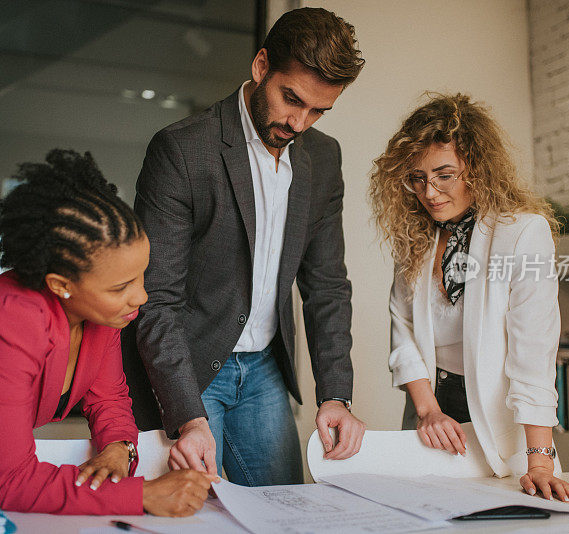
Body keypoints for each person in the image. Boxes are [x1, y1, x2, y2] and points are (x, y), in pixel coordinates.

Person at [0, 149, 217, 515]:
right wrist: (144, 495)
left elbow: (109, 399)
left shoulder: (102, 311)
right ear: (60, 285)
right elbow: (13, 483)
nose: (141, 296)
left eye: (141, 275)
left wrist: (119, 449)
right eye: (121, 287)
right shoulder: (2, 324)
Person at [122, 7, 366, 486]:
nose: (299, 122)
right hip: (189, 369)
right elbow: (157, 298)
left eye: (318, 110)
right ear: (261, 67)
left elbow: (327, 287)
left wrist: (336, 394)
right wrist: (189, 417)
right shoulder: (183, 150)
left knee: (286, 513)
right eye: (290, 98)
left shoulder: (323, 157)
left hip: (265, 370)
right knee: (193, 512)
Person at [369, 94, 569, 501]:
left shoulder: (523, 233)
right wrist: (428, 410)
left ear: (476, 168)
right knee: (423, 516)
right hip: (429, 405)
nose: (429, 192)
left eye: (444, 175)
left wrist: (539, 461)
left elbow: (532, 353)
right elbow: (404, 332)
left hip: (501, 419)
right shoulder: (415, 239)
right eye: (416, 178)